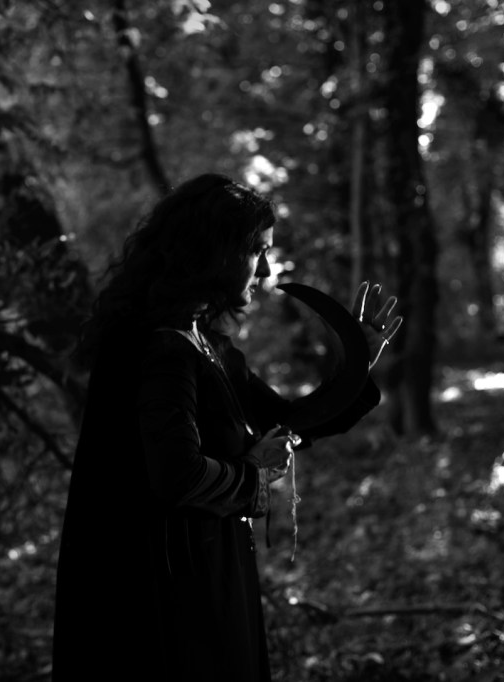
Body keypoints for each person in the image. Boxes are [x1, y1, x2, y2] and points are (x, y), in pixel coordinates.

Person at [51, 173, 401, 682]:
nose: (264, 269)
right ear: (214, 250)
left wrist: (356, 366)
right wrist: (253, 476)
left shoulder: (206, 345)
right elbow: (177, 475)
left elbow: (288, 424)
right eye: (256, 250)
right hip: (167, 594)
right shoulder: (161, 348)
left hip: (204, 576)